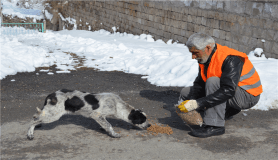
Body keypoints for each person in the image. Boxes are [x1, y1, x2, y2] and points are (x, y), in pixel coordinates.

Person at [178, 32, 262, 138]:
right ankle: (227, 110)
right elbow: (200, 83)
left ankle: (215, 126)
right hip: (231, 92)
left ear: (208, 48)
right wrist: (192, 100)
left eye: (195, 53)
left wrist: (197, 103)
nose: (193, 57)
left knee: (213, 81)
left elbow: (228, 90)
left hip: (248, 96)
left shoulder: (231, 58)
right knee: (186, 92)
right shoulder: (204, 58)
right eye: (191, 53)